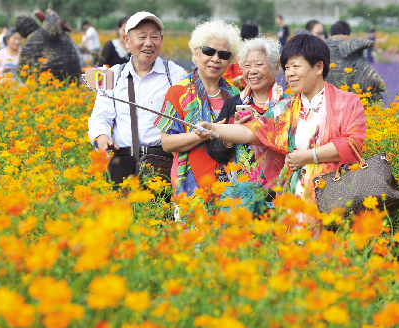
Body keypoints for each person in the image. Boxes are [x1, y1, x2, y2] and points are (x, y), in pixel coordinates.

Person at [195, 34, 367, 211]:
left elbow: (352, 144)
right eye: (287, 67)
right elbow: (250, 132)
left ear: (318, 67)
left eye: (296, 66)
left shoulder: (346, 102)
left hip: (333, 197)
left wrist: (309, 157)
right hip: (294, 197)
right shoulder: (286, 108)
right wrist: (212, 128)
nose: (290, 73)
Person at [88, 12, 187, 187]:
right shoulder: (113, 75)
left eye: (154, 37)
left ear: (161, 40)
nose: (149, 43)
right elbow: (100, 116)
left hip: (163, 161)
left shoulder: (175, 74)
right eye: (142, 37)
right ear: (126, 41)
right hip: (123, 161)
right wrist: (102, 136)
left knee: (160, 213)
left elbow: (187, 117)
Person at [156, 19, 242, 197]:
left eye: (224, 54)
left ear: (230, 60)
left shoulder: (236, 94)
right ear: (197, 52)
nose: (216, 59)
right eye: (209, 51)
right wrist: (198, 135)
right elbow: (167, 144)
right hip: (190, 182)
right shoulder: (177, 92)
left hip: (230, 182)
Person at [212, 36, 286, 189]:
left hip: (280, 190)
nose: (252, 71)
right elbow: (215, 152)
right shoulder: (234, 104)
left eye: (259, 64)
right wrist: (231, 137)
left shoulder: (288, 104)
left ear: (276, 66)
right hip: (241, 192)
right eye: (247, 65)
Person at [325, 21, 386, 100]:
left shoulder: (318, 51)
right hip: (354, 106)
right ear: (349, 36)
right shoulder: (354, 53)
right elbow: (379, 84)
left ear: (330, 35)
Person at [224, 24, 259, 88]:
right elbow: (226, 81)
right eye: (246, 40)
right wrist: (241, 77)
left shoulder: (261, 58)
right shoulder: (233, 57)